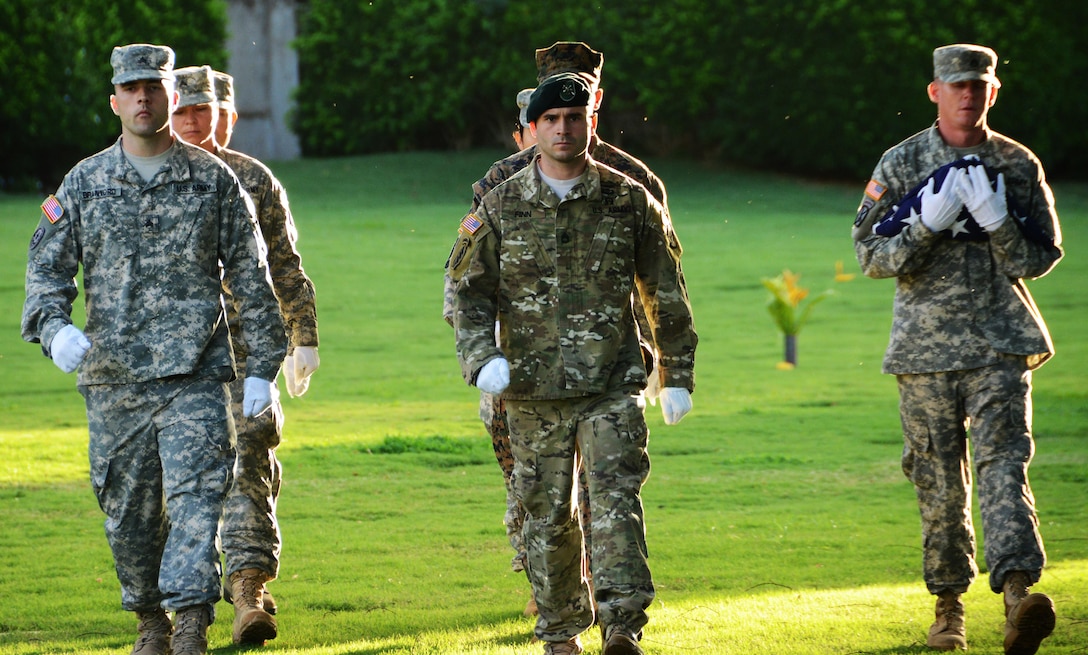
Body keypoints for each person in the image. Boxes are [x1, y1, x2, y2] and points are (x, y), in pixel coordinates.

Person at [21, 44, 287, 655]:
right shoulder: (84, 183)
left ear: (172, 95)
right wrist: (53, 326)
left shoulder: (213, 180)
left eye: (155, 87)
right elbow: (46, 269)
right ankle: (150, 622)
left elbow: (253, 273)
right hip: (114, 381)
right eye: (132, 88)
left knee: (198, 499)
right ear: (115, 100)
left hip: (196, 374)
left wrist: (261, 369)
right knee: (130, 515)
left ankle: (191, 622)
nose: (144, 98)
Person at [448, 71, 698, 655]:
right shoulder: (499, 204)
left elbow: (665, 290)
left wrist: (677, 373)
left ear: (591, 122)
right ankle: (560, 630)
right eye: (551, 120)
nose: (564, 129)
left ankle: (621, 626)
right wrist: (482, 359)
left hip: (612, 383)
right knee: (546, 515)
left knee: (615, 504)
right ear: (531, 130)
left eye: (574, 118)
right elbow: (468, 292)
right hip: (532, 390)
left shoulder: (628, 199)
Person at [852, 44, 1063, 654]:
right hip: (924, 351)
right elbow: (870, 256)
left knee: (1004, 467)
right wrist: (925, 224)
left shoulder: (1017, 165)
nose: (968, 94)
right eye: (957, 85)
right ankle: (949, 607)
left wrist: (998, 222)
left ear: (993, 91)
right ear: (935, 92)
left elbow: (1040, 257)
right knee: (938, 478)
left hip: (1002, 342)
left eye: (979, 85)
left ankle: (1019, 597)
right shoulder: (902, 162)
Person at [171, 65, 320, 646]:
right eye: (182, 111)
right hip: (169, 362)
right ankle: (190, 599)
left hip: (243, 354)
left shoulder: (253, 180)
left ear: (223, 116)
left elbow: (285, 264)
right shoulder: (144, 176)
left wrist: (302, 335)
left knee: (249, 456)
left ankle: (249, 589)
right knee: (179, 479)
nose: (192, 121)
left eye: (202, 110)